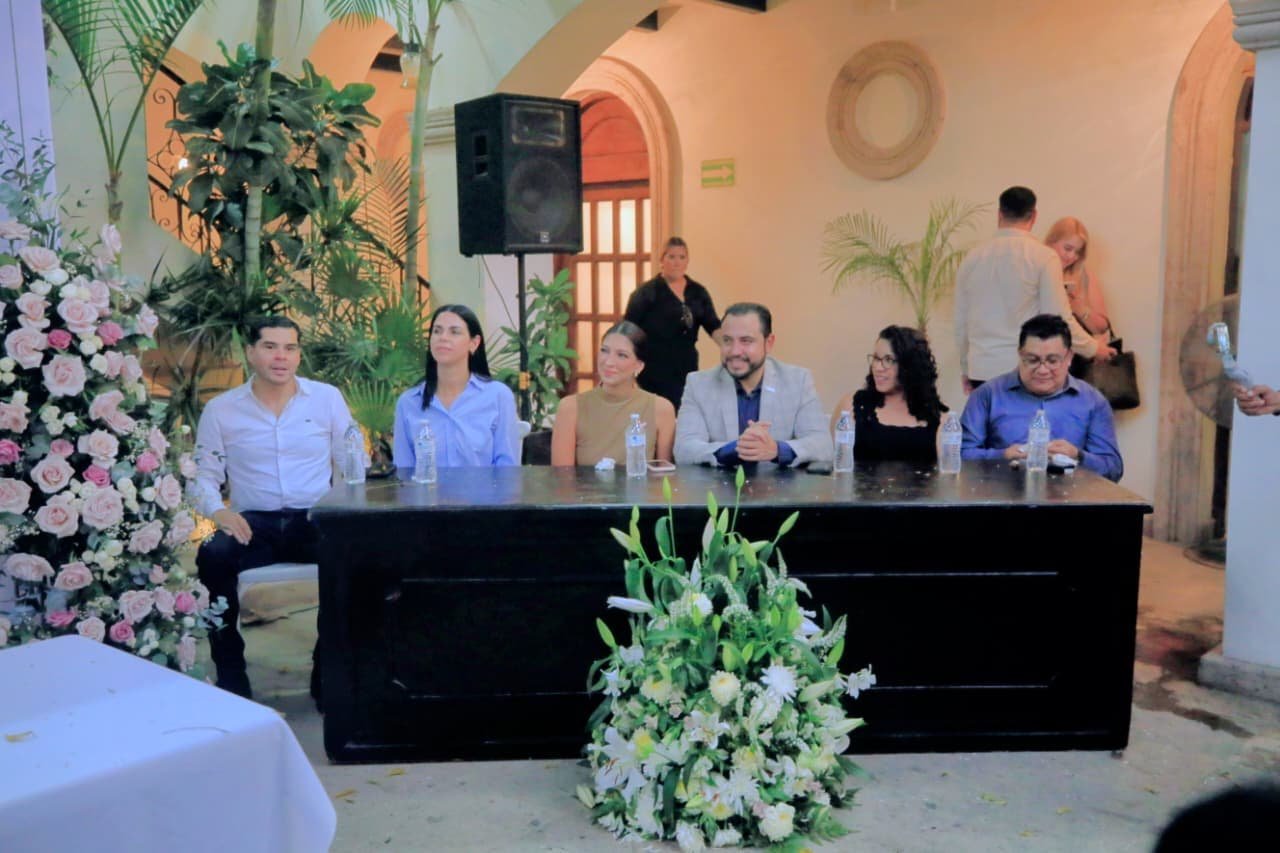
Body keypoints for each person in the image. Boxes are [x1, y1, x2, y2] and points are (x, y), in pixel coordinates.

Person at [194, 316, 354, 700]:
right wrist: (219, 512)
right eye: (270, 347)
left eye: (290, 348)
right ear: (251, 353)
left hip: (313, 519)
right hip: (252, 524)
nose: (281, 357)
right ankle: (231, 674)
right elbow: (202, 477)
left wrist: (347, 510)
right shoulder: (221, 409)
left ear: (299, 355)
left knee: (355, 559)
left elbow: (352, 466)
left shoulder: (327, 399)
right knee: (212, 554)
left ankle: (326, 667)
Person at [954, 186, 1111, 394]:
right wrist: (1094, 348)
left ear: (1000, 214)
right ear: (1033, 216)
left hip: (981, 369)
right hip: (1025, 370)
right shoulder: (1043, 257)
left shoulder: (971, 259)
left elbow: (961, 323)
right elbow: (1058, 319)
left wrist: (966, 369)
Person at [959, 313, 1123, 481]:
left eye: (1052, 361)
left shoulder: (1092, 401)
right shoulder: (988, 395)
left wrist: (1078, 456)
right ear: (1020, 355)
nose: (1042, 370)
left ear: (1069, 358)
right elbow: (960, 455)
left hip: (1072, 494)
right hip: (1002, 492)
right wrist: (1002, 456)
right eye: (1032, 360)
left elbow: (1113, 469)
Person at [674, 302, 832, 468]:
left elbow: (823, 445)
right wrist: (735, 449)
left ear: (768, 343)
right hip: (719, 484)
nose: (735, 351)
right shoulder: (698, 384)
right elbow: (684, 449)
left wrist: (777, 450)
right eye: (727, 340)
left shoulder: (798, 381)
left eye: (746, 341)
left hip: (778, 484)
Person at [393, 304, 521, 469]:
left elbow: (507, 470)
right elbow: (403, 471)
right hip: (427, 487)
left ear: (474, 343)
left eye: (454, 332)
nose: (443, 337)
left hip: (483, 487)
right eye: (437, 331)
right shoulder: (408, 402)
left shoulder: (498, 396)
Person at [550, 321, 676, 466]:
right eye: (604, 351)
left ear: (639, 366)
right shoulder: (570, 407)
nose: (609, 362)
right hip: (585, 483)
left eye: (622, 355)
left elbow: (664, 475)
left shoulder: (661, 409)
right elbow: (562, 476)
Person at [623, 237, 720, 409]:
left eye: (682, 257)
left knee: (685, 412)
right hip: (654, 369)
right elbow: (628, 332)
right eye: (671, 257)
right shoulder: (646, 293)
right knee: (660, 414)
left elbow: (713, 326)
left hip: (687, 367)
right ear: (662, 260)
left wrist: (732, 347)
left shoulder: (698, 292)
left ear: (687, 261)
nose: (677, 262)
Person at [829, 325, 947, 464]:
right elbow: (835, 465)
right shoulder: (851, 405)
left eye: (888, 360)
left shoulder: (938, 418)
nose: (878, 368)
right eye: (876, 358)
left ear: (910, 366)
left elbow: (946, 472)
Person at [1044, 216, 1112, 377]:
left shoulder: (1084, 276)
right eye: (1067, 248)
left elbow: (1101, 327)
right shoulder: (1037, 272)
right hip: (1046, 363)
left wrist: (1078, 307)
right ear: (1051, 242)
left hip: (1081, 366)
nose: (1072, 256)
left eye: (1078, 252)